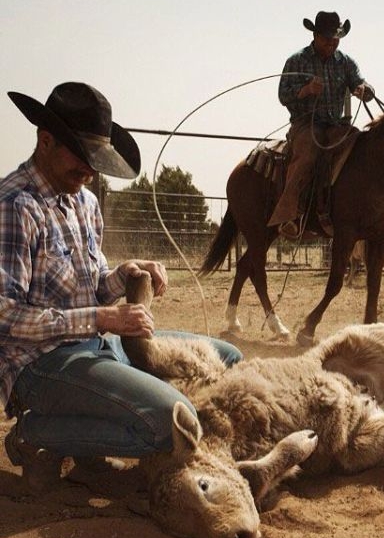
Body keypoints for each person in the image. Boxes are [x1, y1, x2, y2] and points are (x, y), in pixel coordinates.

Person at [0, 82, 242, 493]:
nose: (91, 172)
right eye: (83, 158)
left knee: (229, 357)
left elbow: (90, 285)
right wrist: (102, 317)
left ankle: (90, 429)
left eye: (96, 160)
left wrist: (123, 274)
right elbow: (5, 314)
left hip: (99, 345)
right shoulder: (15, 205)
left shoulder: (84, 203)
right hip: (40, 366)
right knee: (170, 423)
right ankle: (36, 432)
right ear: (45, 141)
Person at [268, 11, 375, 239]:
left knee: (359, 146)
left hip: (337, 125)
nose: (332, 43)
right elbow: (282, 95)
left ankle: (353, 208)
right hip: (306, 124)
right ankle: (290, 215)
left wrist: (364, 91)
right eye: (327, 38)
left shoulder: (345, 63)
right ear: (315, 36)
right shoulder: (297, 60)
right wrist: (305, 91)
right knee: (307, 155)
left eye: (336, 39)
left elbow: (361, 82)